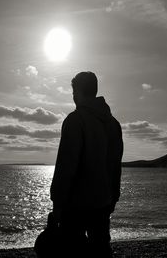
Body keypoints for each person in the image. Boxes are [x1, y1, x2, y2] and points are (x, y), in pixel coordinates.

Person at [50, 71, 123, 257]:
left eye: (74, 92)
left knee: (72, 251)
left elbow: (66, 165)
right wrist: (114, 197)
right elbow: (116, 166)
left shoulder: (75, 120)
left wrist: (57, 203)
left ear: (79, 92)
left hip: (76, 205)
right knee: (101, 251)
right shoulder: (114, 124)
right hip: (103, 202)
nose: (73, 97)